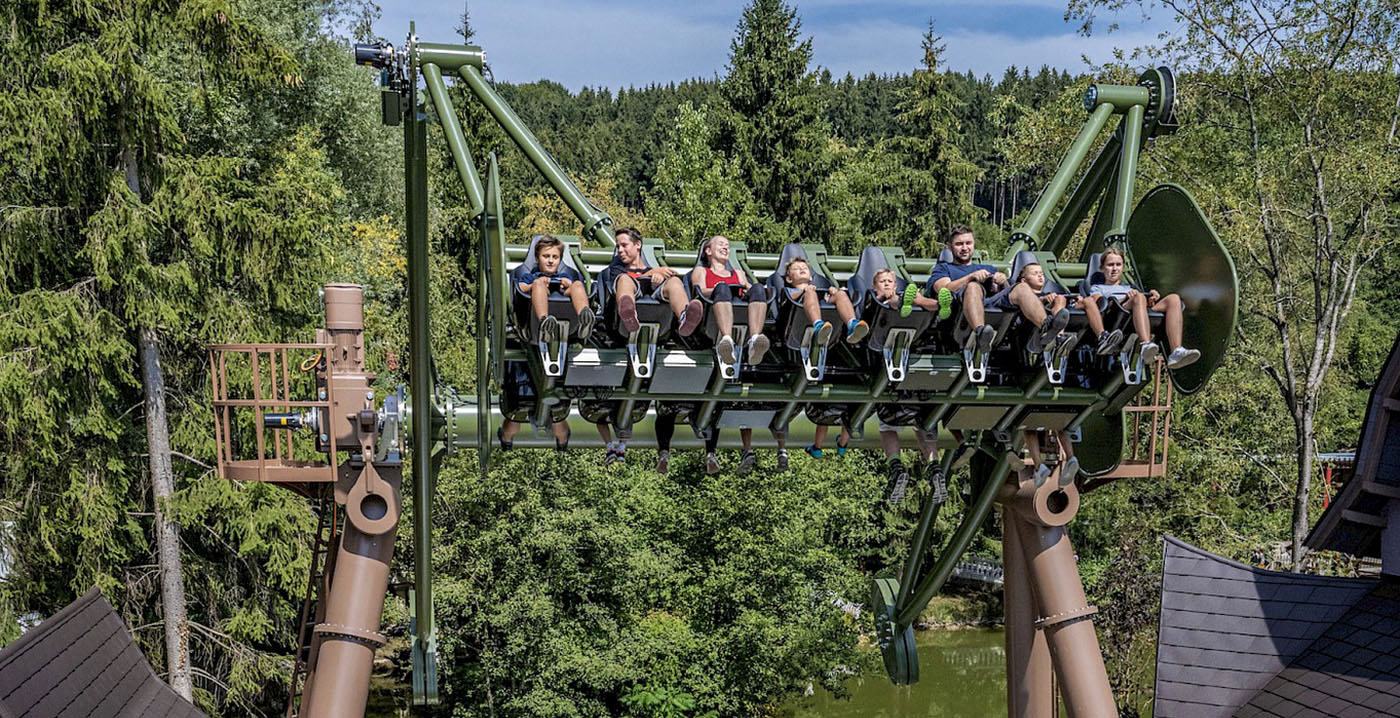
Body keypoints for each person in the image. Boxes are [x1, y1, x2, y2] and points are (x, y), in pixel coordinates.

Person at [1089, 247, 1200, 369]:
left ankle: (1176, 351)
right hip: (1117, 313)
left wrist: (1150, 299)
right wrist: (1127, 298)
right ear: (1102, 268)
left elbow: (1142, 303)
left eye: (1118, 265)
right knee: (1138, 297)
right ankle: (1146, 344)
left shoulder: (1129, 286)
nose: (1115, 269)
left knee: (1173, 299)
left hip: (1137, 307)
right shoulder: (1097, 288)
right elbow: (1101, 304)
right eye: (1110, 265)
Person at [606, 226, 703, 337]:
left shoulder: (653, 271)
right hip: (626, 312)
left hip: (657, 305)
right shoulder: (617, 270)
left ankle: (685, 316)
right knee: (624, 279)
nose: (620, 250)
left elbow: (653, 286)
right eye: (618, 247)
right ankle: (628, 314)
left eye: (624, 245)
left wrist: (658, 281)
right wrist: (651, 273)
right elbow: (619, 284)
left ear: (638, 244)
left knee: (674, 281)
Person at [691, 235, 771, 365]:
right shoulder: (701, 271)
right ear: (708, 251)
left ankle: (754, 340)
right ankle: (726, 339)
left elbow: (753, 290)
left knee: (758, 288)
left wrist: (749, 290)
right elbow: (700, 292)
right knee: (722, 288)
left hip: (740, 312)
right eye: (721, 244)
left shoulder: (738, 273)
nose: (725, 247)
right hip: (712, 312)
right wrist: (718, 289)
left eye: (727, 246)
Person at [929, 225, 1007, 354]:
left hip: (993, 310)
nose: (965, 248)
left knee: (1021, 289)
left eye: (968, 243)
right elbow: (943, 289)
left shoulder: (989, 268)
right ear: (950, 247)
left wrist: (1003, 281)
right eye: (959, 244)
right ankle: (980, 333)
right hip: (957, 319)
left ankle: (1046, 327)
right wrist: (970, 277)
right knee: (973, 287)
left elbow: (1007, 294)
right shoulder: (943, 268)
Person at [987, 259, 1077, 356]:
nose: (1040, 275)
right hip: (1027, 329)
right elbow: (1023, 303)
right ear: (1024, 280)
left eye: (1041, 273)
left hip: (1049, 323)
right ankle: (1049, 333)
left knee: (1060, 298)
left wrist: (1077, 299)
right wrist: (1043, 300)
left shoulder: (1051, 293)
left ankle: (1058, 338)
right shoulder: (1019, 292)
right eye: (1035, 273)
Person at [517, 234, 595, 343]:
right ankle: (545, 324)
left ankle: (584, 317)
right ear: (537, 258)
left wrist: (569, 284)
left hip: (565, 303)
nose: (550, 261)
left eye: (555, 257)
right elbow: (520, 287)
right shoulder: (531, 276)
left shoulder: (565, 276)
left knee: (577, 285)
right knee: (538, 285)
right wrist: (534, 285)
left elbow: (577, 288)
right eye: (546, 256)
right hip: (535, 315)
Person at [784, 257, 869, 345]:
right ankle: (818, 326)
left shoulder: (817, 289)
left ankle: (852, 324)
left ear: (810, 277)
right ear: (789, 279)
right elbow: (789, 298)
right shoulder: (790, 291)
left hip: (826, 313)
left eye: (804, 268)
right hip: (799, 319)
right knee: (810, 293)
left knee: (841, 294)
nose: (801, 269)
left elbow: (826, 299)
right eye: (796, 268)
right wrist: (804, 291)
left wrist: (833, 293)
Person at [870, 267, 946, 319]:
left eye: (890, 281)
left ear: (895, 286)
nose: (886, 284)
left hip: (904, 314)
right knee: (892, 300)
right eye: (882, 281)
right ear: (874, 287)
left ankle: (940, 305)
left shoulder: (897, 293)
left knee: (918, 299)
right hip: (885, 312)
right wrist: (883, 296)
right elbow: (870, 304)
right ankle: (902, 301)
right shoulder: (872, 298)